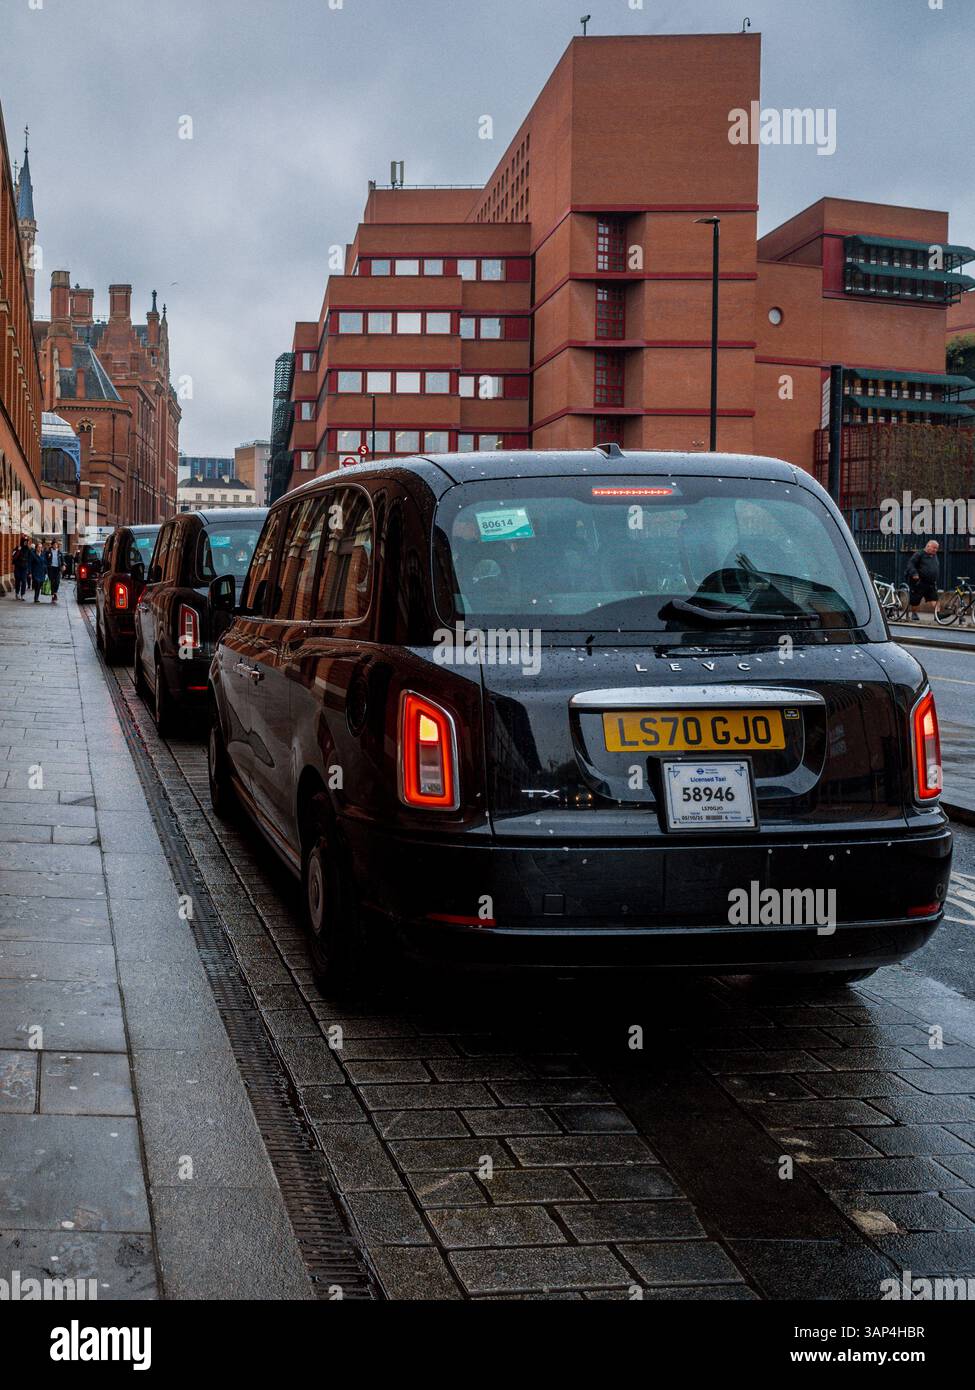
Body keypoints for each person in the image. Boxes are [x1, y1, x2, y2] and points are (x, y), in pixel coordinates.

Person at [906, 539, 940, 623]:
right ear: (928, 546)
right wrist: (914, 573)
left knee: (935, 599)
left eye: (937, 548)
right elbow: (911, 564)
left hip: (931, 583)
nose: (935, 550)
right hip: (919, 582)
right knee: (915, 600)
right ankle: (914, 614)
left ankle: (937, 615)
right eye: (934, 548)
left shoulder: (934, 555)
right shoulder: (919, 554)